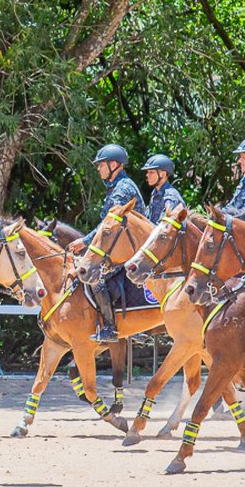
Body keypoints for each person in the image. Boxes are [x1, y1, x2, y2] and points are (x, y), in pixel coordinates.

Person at [67, 143, 145, 342]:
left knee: (95, 276)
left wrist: (85, 242)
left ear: (114, 165)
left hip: (130, 248)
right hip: (124, 245)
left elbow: (107, 226)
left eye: (101, 165)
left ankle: (111, 327)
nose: (98, 168)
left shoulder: (122, 189)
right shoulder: (116, 187)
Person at [141, 154, 185, 223]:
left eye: (151, 172)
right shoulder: (155, 193)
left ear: (163, 174)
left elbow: (164, 225)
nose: (147, 175)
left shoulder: (170, 196)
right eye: (147, 172)